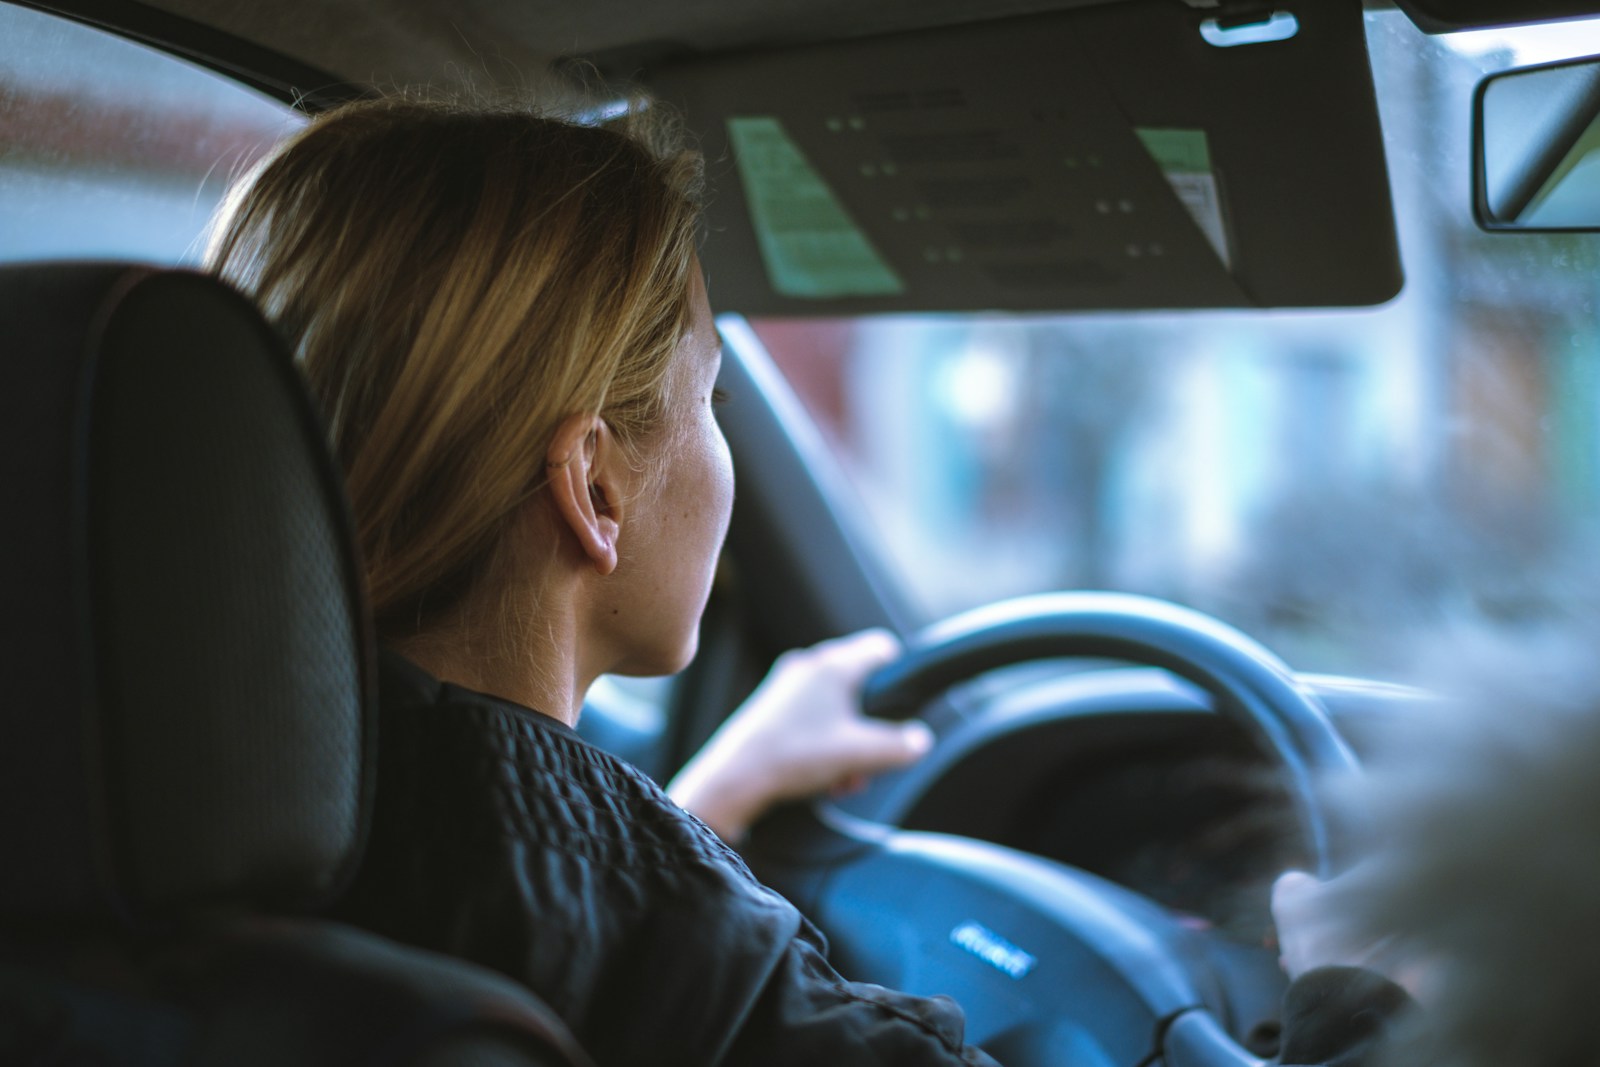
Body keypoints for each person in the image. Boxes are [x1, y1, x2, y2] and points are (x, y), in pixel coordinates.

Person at [207, 94, 1409, 1066]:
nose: (720, 444)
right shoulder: (685, 964)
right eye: (709, 399)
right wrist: (1358, 1004)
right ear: (596, 489)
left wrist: (701, 805)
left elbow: (529, 891)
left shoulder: (184, 807)